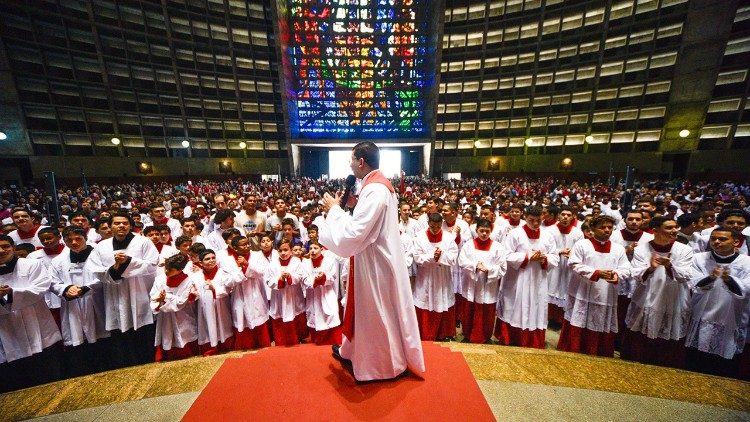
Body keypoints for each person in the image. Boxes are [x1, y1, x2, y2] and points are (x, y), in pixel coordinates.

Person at [319, 141, 425, 381]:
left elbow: (356, 233)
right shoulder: (374, 186)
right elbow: (369, 222)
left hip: (376, 265)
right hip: (370, 259)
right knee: (364, 311)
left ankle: (381, 366)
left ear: (361, 162)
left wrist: (334, 210)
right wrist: (354, 206)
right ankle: (353, 352)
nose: (349, 164)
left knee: (374, 314)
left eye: (351, 159)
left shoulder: (376, 189)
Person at [86, 211, 159, 367]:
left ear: (130, 225)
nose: (121, 226)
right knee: (120, 330)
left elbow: (153, 264)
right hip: (114, 293)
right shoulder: (102, 246)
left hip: (138, 291)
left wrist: (128, 261)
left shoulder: (143, 242)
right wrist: (115, 267)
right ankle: (126, 365)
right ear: (110, 226)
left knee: (143, 330)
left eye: (125, 223)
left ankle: (147, 362)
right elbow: (95, 269)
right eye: (117, 223)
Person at [622, 216, 695, 368]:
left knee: (669, 331)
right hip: (646, 295)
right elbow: (635, 272)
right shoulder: (642, 249)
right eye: (669, 228)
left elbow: (687, 275)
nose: (674, 230)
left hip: (674, 296)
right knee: (641, 328)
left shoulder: (685, 250)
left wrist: (669, 266)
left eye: (675, 227)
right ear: (655, 230)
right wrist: (651, 268)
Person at [558, 215, 631, 357]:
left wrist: (615, 274)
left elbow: (626, 268)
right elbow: (574, 264)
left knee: (600, 322)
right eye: (602, 227)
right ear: (592, 229)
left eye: (610, 227)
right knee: (578, 319)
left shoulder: (618, 249)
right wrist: (596, 273)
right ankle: (574, 348)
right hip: (582, 290)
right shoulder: (582, 245)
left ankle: (598, 351)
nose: (607, 230)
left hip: (606, 293)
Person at [0, 234, 63, 393]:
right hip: (8, 331)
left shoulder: (31, 264)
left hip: (37, 325)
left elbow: (41, 288)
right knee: (17, 382)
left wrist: (10, 294)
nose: (1, 251)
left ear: (13, 248)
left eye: (5, 247)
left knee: (47, 376)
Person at [685, 227, 750, 378]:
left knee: (724, 363)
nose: (716, 242)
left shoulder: (747, 262)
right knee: (697, 359)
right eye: (713, 238)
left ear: (736, 242)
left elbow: (746, 288)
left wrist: (729, 280)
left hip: (732, 314)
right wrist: (711, 278)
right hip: (702, 312)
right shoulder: (700, 258)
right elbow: (693, 282)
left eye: (722, 239)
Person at [48, 226, 110, 376]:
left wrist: (87, 288)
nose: (74, 242)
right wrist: (66, 289)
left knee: (101, 336)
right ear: (64, 241)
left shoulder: (99, 255)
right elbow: (51, 281)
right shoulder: (58, 261)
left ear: (86, 238)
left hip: (96, 301)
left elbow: (106, 275)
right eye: (69, 240)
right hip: (72, 305)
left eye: (78, 239)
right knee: (78, 339)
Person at [495, 206, 558, 349]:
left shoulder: (547, 236)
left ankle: (533, 340)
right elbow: (506, 255)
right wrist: (528, 257)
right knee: (515, 306)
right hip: (518, 280)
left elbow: (554, 256)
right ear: (526, 217)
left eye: (538, 220)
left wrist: (544, 258)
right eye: (531, 220)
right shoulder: (515, 234)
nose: (535, 224)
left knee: (536, 306)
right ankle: (511, 337)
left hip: (538, 279)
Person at [457, 218, 507, 343]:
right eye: (482, 231)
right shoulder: (468, 245)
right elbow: (461, 261)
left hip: (488, 285)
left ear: (491, 231)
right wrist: (475, 266)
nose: (484, 234)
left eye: (487, 231)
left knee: (487, 311)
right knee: (469, 309)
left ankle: (485, 336)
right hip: (471, 284)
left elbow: (502, 267)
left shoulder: (497, 247)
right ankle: (468, 334)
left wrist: (488, 269)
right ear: (476, 230)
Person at [412, 213, 459, 341]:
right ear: (428, 224)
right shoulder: (419, 237)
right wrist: (432, 257)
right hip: (426, 275)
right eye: (432, 226)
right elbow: (417, 257)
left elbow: (454, 255)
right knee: (425, 301)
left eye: (438, 226)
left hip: (442, 276)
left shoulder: (448, 238)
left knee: (441, 300)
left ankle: (442, 333)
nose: (435, 229)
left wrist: (441, 256)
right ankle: (424, 333)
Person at [150, 253, 199, 361]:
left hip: (183, 315)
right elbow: (153, 294)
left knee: (184, 334)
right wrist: (158, 300)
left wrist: (166, 297)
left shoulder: (188, 281)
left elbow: (182, 301)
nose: (166, 272)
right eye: (166, 268)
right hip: (165, 316)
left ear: (179, 269)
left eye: (170, 270)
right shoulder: (160, 279)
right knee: (167, 335)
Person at [191, 249, 236, 355]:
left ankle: (225, 345)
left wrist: (214, 289)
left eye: (213, 258)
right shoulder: (196, 276)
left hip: (221, 305)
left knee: (223, 324)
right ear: (201, 263)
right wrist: (193, 293)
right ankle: (211, 347)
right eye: (207, 259)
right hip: (205, 308)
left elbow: (228, 289)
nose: (211, 260)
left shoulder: (223, 273)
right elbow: (194, 293)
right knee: (207, 325)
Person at [546, 206, 585, 327]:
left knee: (565, 289)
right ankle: (548, 317)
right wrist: (559, 251)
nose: (565, 217)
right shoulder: (550, 230)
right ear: (558, 216)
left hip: (568, 266)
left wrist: (572, 254)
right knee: (550, 287)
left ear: (573, 217)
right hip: (554, 265)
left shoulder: (577, 233)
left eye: (569, 215)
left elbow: (581, 250)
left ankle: (561, 320)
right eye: (563, 214)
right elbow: (546, 248)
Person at [265, 239, 306, 346]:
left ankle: (297, 339)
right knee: (280, 315)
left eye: (286, 250)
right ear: (277, 251)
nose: (283, 253)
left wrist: (290, 277)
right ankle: (281, 341)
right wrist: (280, 279)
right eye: (280, 250)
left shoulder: (296, 261)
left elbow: (300, 276)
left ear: (291, 250)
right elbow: (268, 280)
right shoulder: (272, 264)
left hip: (293, 295)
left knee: (295, 314)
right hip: (278, 296)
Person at [302, 241, 343, 345]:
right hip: (313, 295)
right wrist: (315, 279)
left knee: (331, 314)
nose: (312, 250)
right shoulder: (305, 263)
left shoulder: (329, 261)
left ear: (321, 250)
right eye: (310, 248)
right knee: (315, 317)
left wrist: (323, 277)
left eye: (315, 248)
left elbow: (333, 276)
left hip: (327, 293)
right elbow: (304, 279)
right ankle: (318, 342)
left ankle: (334, 342)